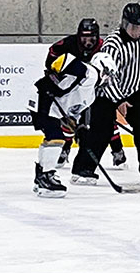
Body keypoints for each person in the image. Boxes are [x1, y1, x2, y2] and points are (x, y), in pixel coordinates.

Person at [71, 2, 140, 184]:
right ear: (125, 24)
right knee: (101, 131)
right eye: (134, 27)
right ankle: (82, 170)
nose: (137, 31)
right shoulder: (113, 43)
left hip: (132, 91)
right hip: (106, 93)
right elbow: (106, 74)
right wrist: (118, 99)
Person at [27, 49, 114, 197]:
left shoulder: (91, 94)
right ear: (104, 69)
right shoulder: (90, 73)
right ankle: (46, 176)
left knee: (53, 137)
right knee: (56, 138)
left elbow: (72, 116)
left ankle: (42, 176)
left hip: (50, 106)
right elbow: (66, 58)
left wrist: (80, 129)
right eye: (109, 74)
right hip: (44, 99)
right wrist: (54, 74)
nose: (108, 79)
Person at [44, 18, 127, 169]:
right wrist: (53, 72)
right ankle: (65, 149)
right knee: (70, 118)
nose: (88, 42)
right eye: (84, 38)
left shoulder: (104, 47)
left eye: (91, 38)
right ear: (78, 36)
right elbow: (52, 54)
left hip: (98, 88)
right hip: (75, 89)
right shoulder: (69, 43)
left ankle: (117, 150)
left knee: (105, 119)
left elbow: (113, 69)